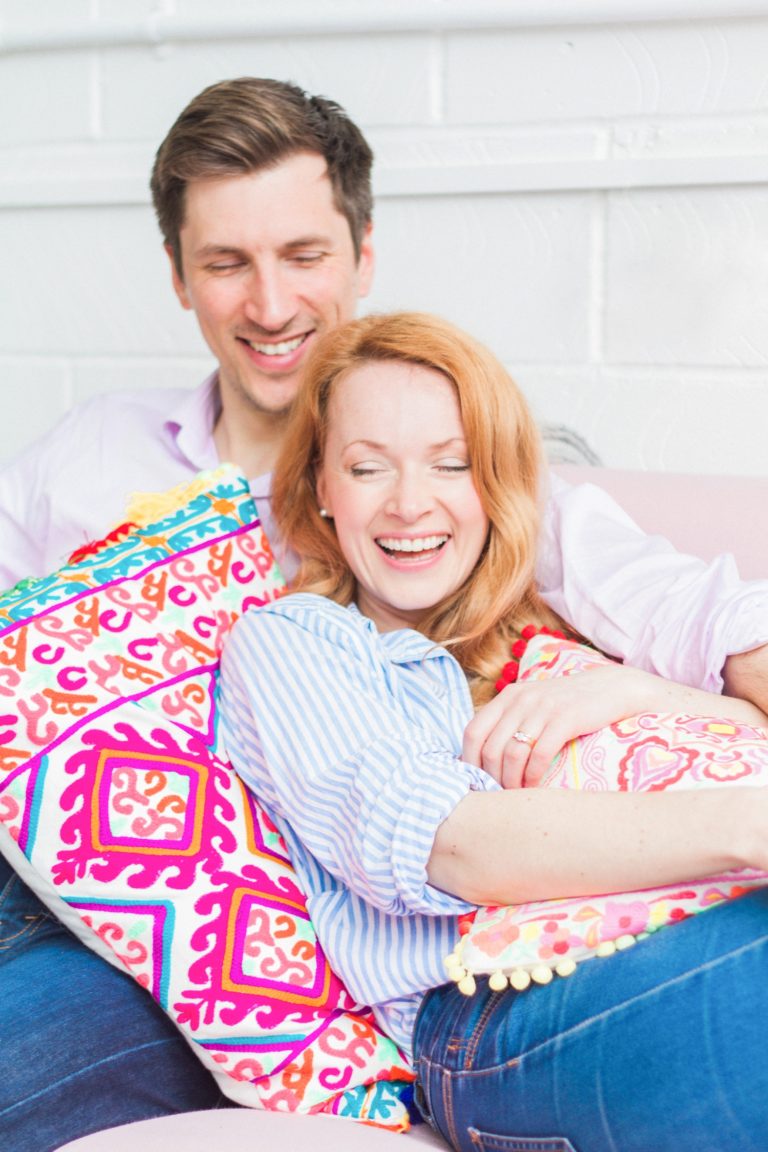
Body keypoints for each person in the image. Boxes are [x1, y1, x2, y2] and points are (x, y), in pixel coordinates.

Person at [0, 76, 766, 1148]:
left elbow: (710, 619)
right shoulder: (86, 464)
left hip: (354, 938)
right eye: (227, 262)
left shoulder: (496, 502)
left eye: (304, 255)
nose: (269, 304)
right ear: (179, 276)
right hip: (64, 908)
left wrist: (652, 691)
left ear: (363, 253)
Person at [219, 311, 768, 1152]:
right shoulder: (295, 642)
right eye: (368, 468)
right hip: (490, 1013)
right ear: (321, 488)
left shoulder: (562, 604)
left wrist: (633, 691)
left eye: (452, 464)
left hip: (672, 924)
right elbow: (451, 845)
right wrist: (743, 827)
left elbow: (730, 671)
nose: (410, 504)